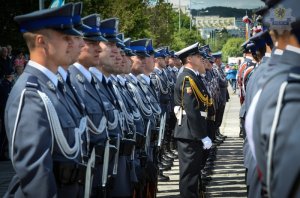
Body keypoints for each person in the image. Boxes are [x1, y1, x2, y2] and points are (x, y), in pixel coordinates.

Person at [4, 3, 88, 197]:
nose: (76, 44)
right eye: (66, 38)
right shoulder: (31, 93)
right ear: (41, 42)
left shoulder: (54, 88)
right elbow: (36, 178)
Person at [174, 42, 213, 198]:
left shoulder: (192, 76)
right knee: (189, 176)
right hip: (189, 133)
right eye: (197, 56)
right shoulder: (187, 78)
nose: (200, 58)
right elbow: (192, 110)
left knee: (194, 173)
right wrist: (202, 135)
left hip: (192, 133)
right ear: (189, 59)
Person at [0, 68, 14, 161]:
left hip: (5, 111)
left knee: (5, 135)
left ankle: (2, 154)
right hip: (3, 112)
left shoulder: (7, 84)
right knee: (4, 135)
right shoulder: (5, 85)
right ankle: (1, 154)